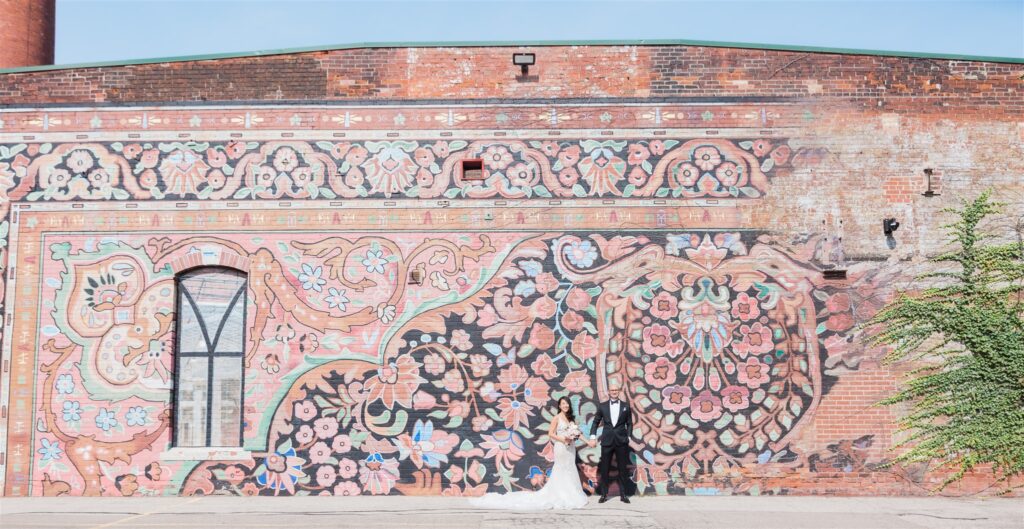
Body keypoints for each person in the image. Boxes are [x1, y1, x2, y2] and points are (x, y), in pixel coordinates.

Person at [469, 397, 588, 510]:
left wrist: (588, 441)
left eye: (567, 403)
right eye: (563, 403)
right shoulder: (557, 418)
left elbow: (577, 433)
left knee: (570, 467)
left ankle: (571, 492)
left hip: (570, 448)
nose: (565, 405)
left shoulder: (571, 419)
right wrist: (563, 439)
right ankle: (562, 495)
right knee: (561, 468)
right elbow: (551, 433)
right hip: (561, 447)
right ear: (560, 406)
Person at [586, 385, 632, 503]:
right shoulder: (603, 406)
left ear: (618, 391)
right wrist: (592, 436)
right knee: (605, 468)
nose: (614, 392)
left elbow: (629, 423)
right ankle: (604, 494)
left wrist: (629, 437)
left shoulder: (626, 406)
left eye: (616, 390)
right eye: (612, 390)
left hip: (621, 441)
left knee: (622, 468)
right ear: (609, 392)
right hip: (607, 441)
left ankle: (623, 495)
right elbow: (595, 422)